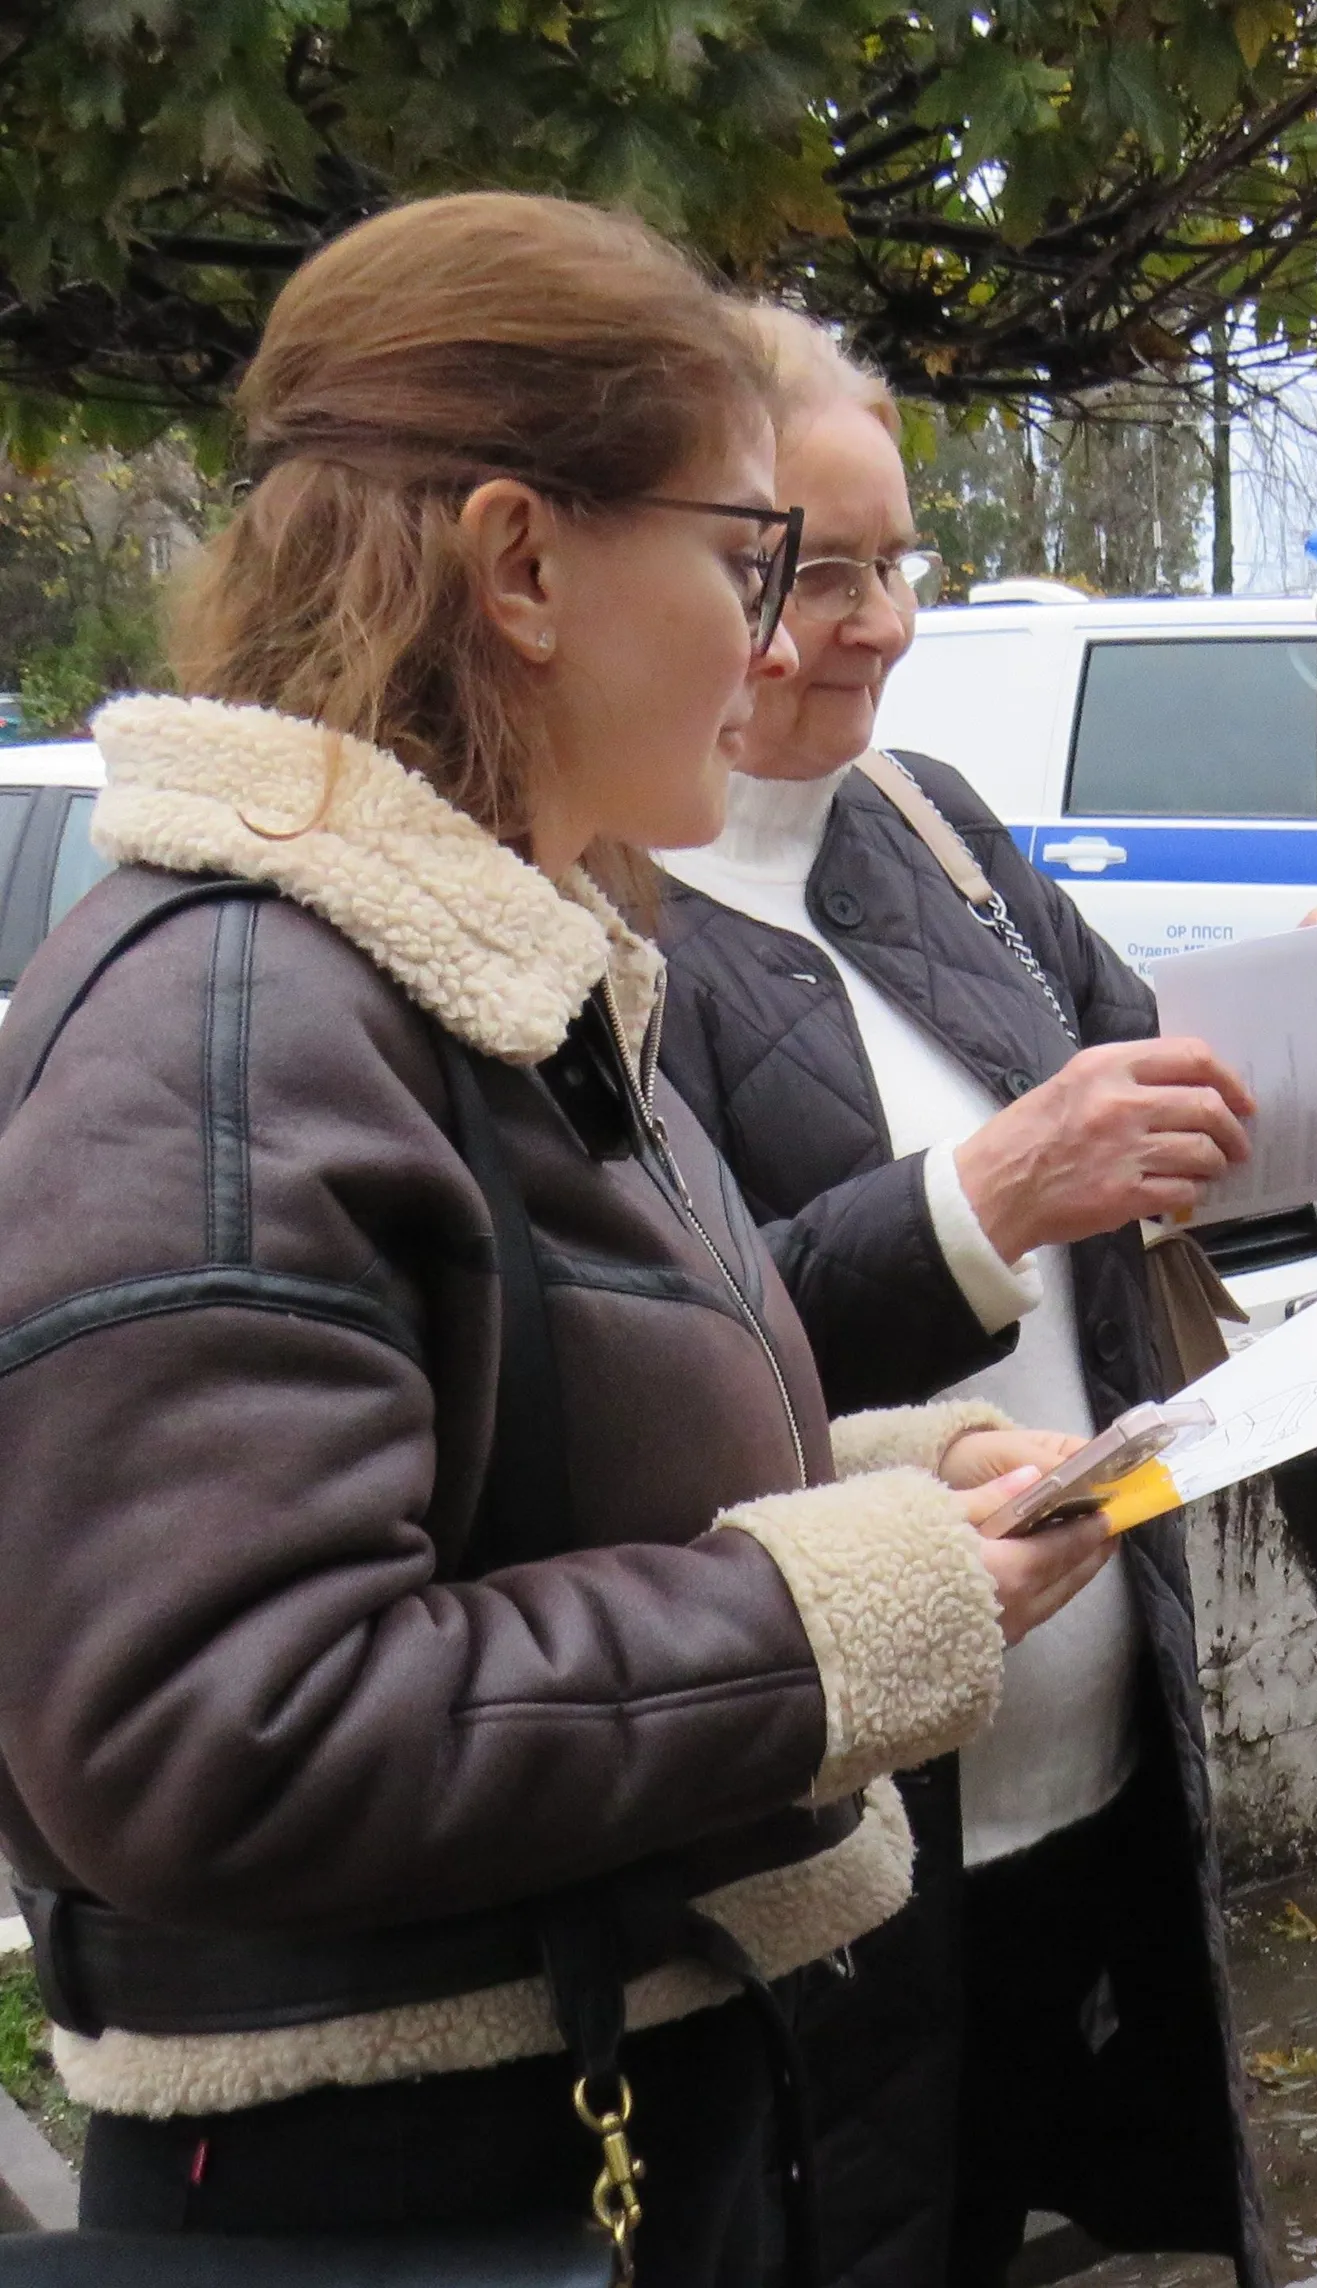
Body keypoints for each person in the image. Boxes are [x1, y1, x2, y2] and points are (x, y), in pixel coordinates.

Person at [0, 193, 1115, 2285]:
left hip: (594, 2118)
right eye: (746, 558)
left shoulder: (493, 970)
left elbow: (503, 1495)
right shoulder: (241, 1016)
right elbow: (211, 1725)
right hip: (408, 2194)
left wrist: (883, 1499)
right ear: (521, 563)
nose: (778, 641)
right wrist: (822, 1612)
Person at [650, 308, 1267, 2288]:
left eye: (898, 562)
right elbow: (678, 1364)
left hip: (1099, 1753)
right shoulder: (595, 913)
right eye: (819, 571)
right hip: (850, 1827)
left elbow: (1135, 1078)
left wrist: (1263, 1091)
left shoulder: (932, 822)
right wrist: (981, 1197)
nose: (882, 620)